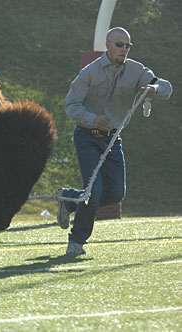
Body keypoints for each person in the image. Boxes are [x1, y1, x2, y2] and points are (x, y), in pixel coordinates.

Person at [57, 27, 172, 255]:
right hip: (86, 138)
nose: (124, 49)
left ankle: (70, 200)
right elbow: (71, 105)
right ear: (108, 46)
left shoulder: (137, 70)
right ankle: (76, 242)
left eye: (127, 45)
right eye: (119, 45)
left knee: (116, 193)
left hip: (112, 140)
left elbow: (166, 87)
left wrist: (154, 88)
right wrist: (93, 119)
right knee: (94, 190)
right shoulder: (89, 73)